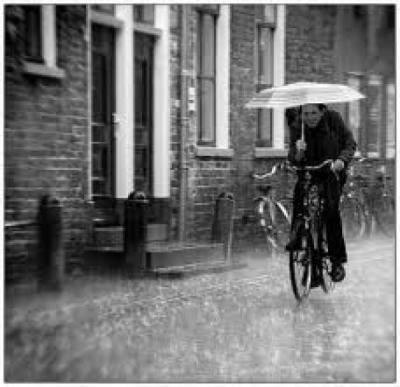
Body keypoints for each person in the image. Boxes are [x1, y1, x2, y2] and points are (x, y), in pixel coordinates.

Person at [285, 104, 356, 282]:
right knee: (299, 200)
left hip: (331, 171)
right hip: (308, 171)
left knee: (330, 211)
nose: (310, 118)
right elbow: (292, 157)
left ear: (322, 111)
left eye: (314, 113)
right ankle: (298, 236)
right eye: (306, 113)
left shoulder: (334, 120)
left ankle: (337, 260)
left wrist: (341, 160)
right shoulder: (297, 126)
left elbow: (350, 143)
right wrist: (298, 153)